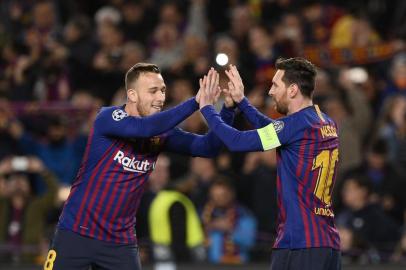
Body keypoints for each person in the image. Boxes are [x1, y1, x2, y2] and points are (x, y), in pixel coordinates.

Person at [45, 63, 235, 270]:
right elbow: (142, 128)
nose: (161, 98)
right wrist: (195, 102)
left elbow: (208, 148)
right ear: (132, 95)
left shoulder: (162, 133)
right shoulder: (108, 117)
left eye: (163, 91)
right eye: (153, 91)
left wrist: (229, 109)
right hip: (76, 233)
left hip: (120, 243)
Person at [197, 58, 341, 270]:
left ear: (292, 90)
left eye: (275, 85)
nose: (271, 92)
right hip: (327, 243)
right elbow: (276, 131)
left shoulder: (296, 126)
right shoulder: (325, 121)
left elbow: (236, 141)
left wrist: (207, 108)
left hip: (300, 244)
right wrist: (242, 102)